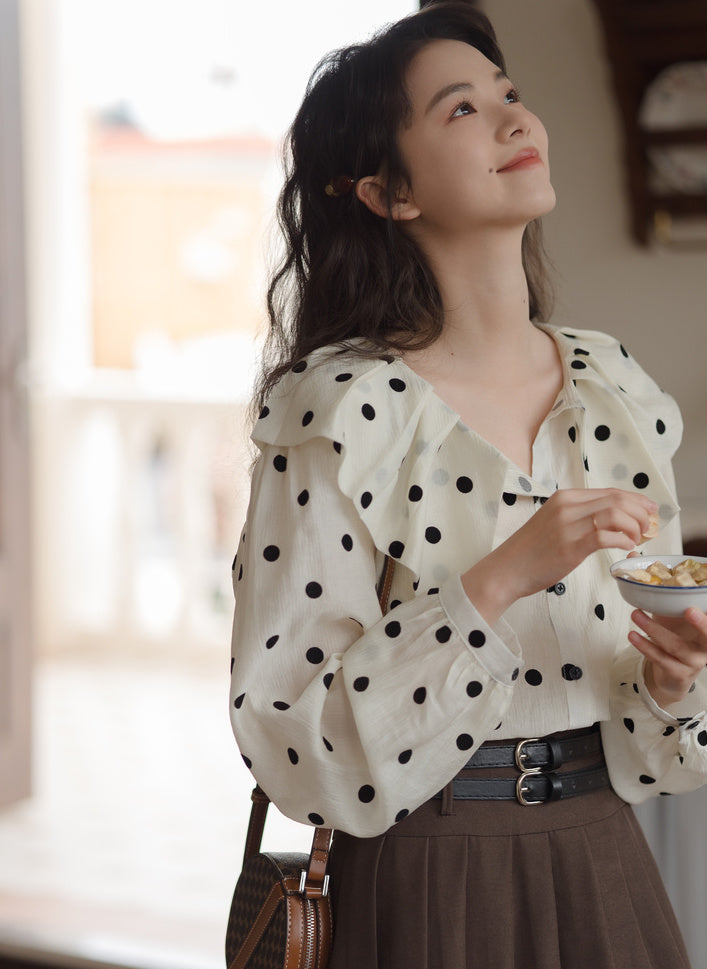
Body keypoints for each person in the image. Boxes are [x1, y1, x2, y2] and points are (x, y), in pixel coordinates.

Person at [229, 4, 707, 966]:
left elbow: (652, 724)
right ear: (386, 191)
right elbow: (295, 732)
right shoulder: (337, 414)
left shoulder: (612, 388)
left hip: (607, 860)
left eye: (511, 96)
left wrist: (672, 676)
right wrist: (498, 579)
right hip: (428, 876)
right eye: (460, 109)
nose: (514, 120)